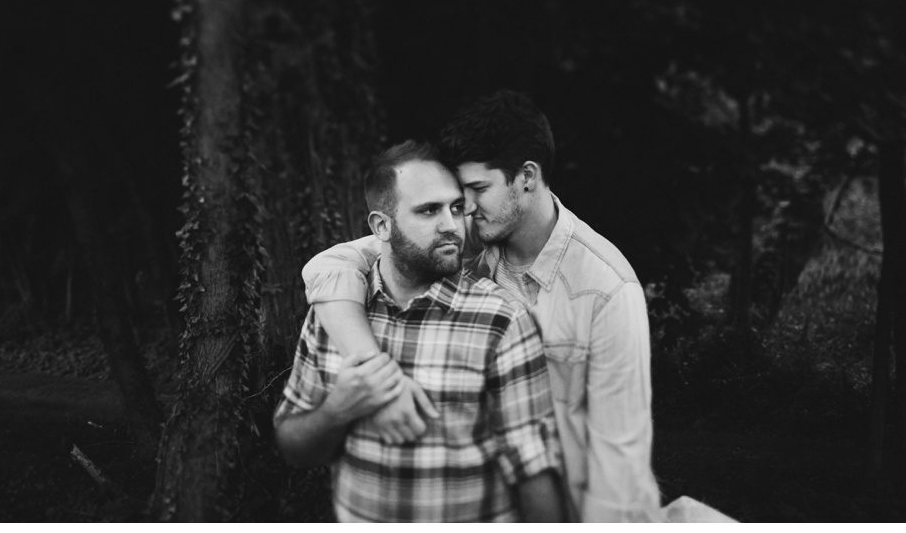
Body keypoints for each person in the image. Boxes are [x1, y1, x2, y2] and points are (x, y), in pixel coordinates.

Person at [301, 91, 661, 522]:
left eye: (477, 189)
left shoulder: (606, 290)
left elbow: (618, 468)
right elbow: (329, 265)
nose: (463, 210)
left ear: (526, 176)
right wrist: (377, 371)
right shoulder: (468, 240)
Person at [274, 140, 567, 522]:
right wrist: (338, 409)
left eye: (456, 207)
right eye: (429, 210)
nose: (451, 225)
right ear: (381, 225)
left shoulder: (500, 320)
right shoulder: (333, 312)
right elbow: (294, 448)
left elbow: (534, 472)